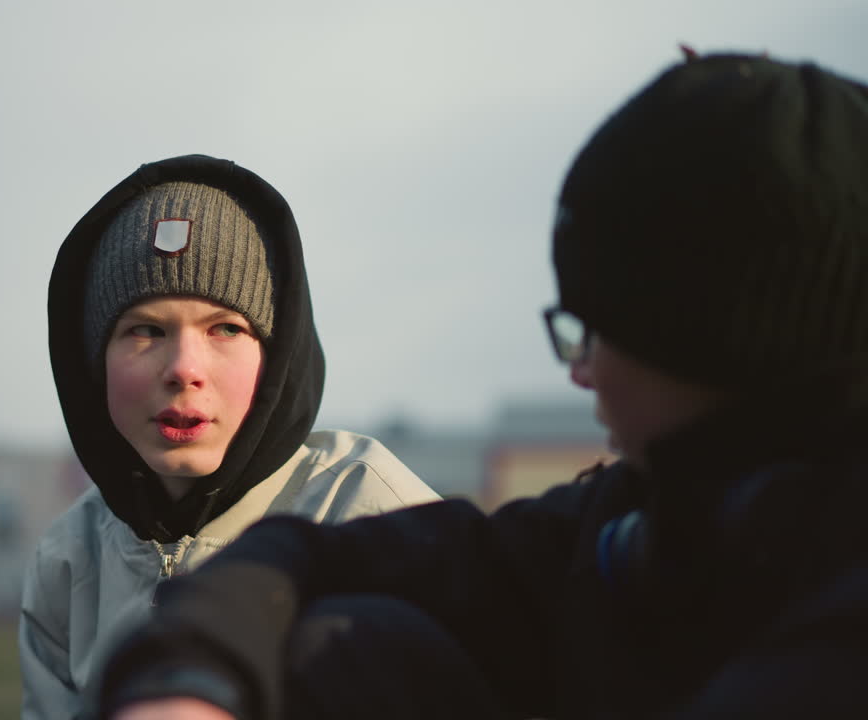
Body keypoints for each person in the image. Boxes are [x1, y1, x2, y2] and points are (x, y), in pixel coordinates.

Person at [93, 52, 868, 719]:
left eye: (591, 328)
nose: (579, 370)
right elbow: (295, 562)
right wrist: (191, 680)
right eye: (144, 329)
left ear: (711, 345)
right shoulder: (636, 527)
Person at [20, 153, 440, 719]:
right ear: (93, 362)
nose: (184, 368)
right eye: (144, 329)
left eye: (226, 329)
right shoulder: (69, 560)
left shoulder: (376, 516)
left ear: (278, 354)